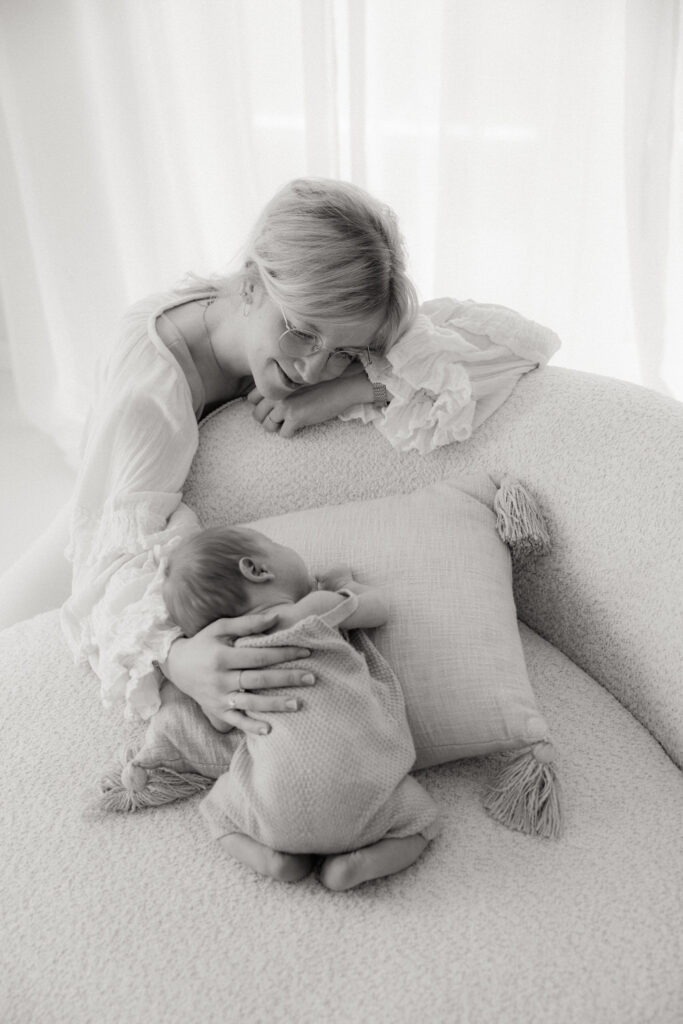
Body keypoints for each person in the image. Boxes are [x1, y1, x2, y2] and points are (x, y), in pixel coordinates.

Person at [0, 176, 560, 741]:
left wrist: (350, 389)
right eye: (302, 335)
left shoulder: (307, 318)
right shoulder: (151, 390)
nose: (312, 369)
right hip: (94, 521)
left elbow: (519, 346)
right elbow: (105, 564)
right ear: (249, 286)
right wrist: (175, 657)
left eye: (342, 353)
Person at [162, 525, 440, 891]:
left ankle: (275, 859)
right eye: (274, 545)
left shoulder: (228, 665)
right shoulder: (314, 610)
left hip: (274, 815)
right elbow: (378, 609)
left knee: (216, 810)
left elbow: (221, 723)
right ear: (257, 570)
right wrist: (343, 582)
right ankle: (358, 866)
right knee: (424, 817)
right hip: (365, 799)